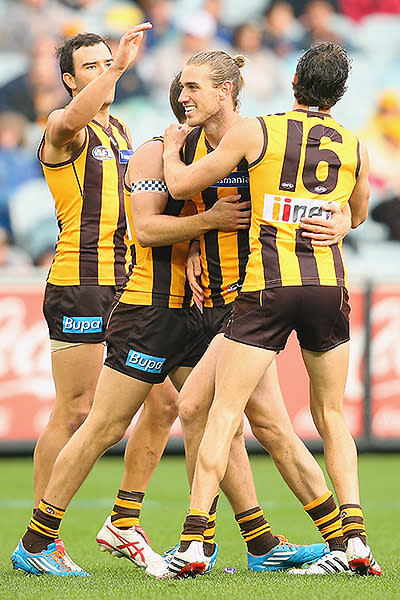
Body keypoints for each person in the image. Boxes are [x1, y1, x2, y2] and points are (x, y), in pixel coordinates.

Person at [162, 42, 381, 576]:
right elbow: (357, 216)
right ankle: (353, 541)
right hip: (328, 287)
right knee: (332, 417)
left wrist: (171, 149)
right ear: (341, 93)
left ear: (293, 82)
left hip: (267, 289)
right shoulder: (354, 144)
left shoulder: (257, 130)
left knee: (221, 410)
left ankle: (195, 542)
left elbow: (182, 184)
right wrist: (337, 224)